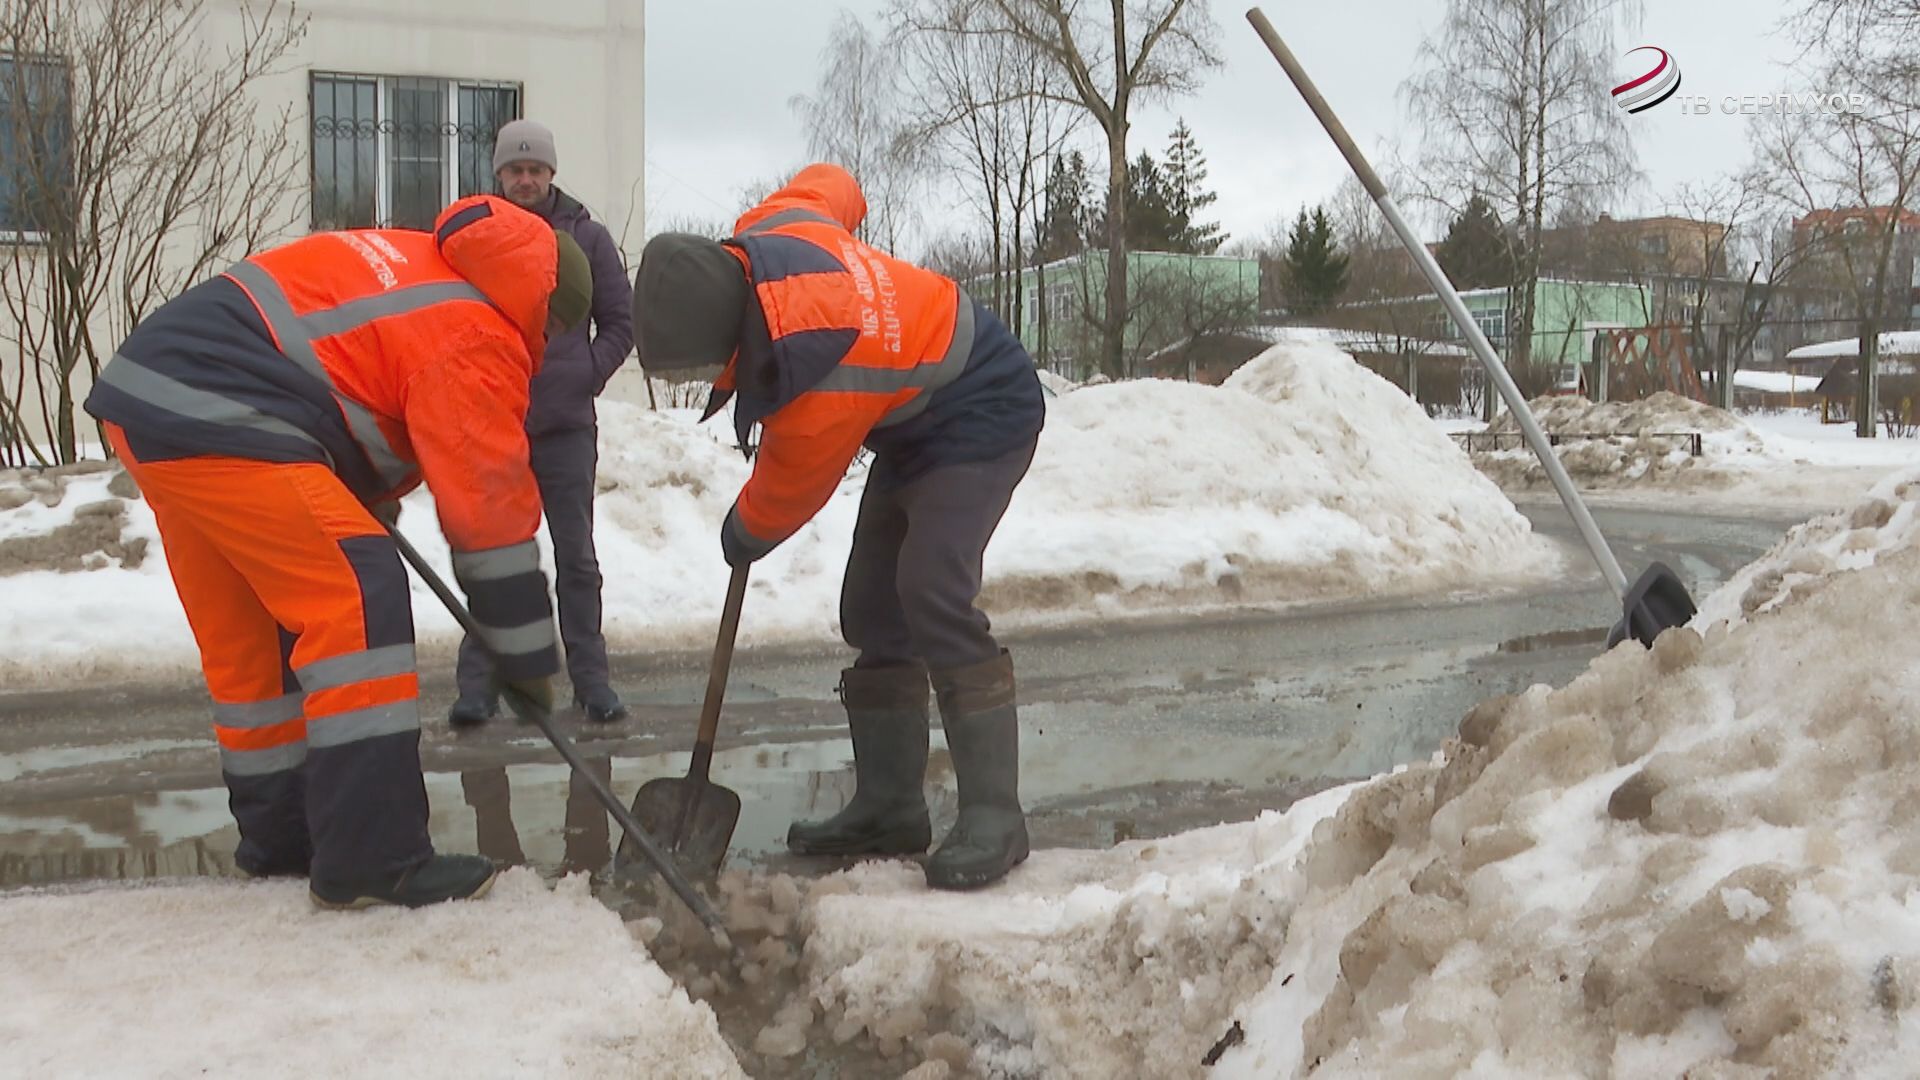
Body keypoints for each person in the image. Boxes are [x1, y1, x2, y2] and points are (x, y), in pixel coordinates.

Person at [82, 195, 592, 909]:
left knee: (251, 645)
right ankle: (374, 857)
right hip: (231, 415)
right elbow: (491, 513)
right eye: (559, 329)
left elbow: (345, 380)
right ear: (549, 309)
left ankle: (282, 844)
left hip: (152, 404)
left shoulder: (418, 265)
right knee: (357, 592)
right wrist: (527, 656)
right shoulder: (478, 329)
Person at [632, 163, 1046, 891]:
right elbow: (832, 183)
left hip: (986, 402)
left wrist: (743, 530)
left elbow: (789, 491)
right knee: (872, 605)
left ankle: (995, 815)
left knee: (931, 590)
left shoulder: (821, 380)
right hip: (911, 414)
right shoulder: (775, 227)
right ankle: (891, 805)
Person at [451, 120, 635, 727]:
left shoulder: (588, 237)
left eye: (535, 169)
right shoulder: (475, 238)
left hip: (564, 428)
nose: (525, 179)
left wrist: (585, 371)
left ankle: (592, 682)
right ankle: (479, 686)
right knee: (492, 558)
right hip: (494, 427)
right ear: (498, 175)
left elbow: (619, 323)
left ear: (551, 173)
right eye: (514, 169)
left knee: (576, 559)